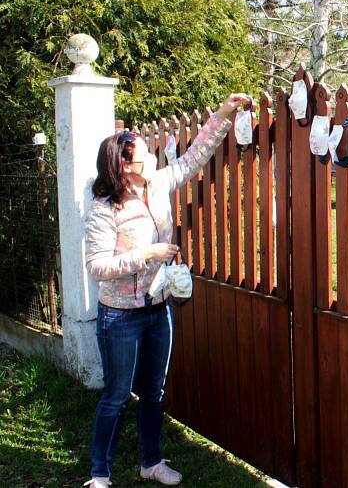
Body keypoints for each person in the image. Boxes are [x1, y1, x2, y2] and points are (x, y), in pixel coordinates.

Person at [83, 94, 249, 487]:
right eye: (144, 152)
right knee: (117, 395)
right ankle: (99, 474)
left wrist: (223, 114)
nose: (152, 155)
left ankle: (151, 462)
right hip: (120, 314)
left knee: (154, 391)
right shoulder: (105, 209)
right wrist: (147, 254)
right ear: (125, 165)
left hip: (158, 308)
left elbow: (194, 158)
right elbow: (97, 268)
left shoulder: (156, 185)